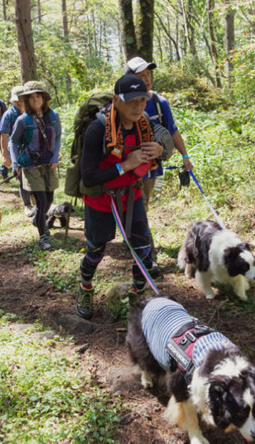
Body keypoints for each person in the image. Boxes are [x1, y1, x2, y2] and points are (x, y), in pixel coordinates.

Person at [74, 74, 164, 320]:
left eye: (142, 100)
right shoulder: (97, 129)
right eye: (131, 101)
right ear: (116, 100)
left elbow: (160, 150)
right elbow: (89, 176)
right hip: (101, 199)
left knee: (143, 251)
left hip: (131, 195)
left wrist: (160, 150)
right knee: (96, 250)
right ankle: (85, 287)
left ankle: (137, 298)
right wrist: (124, 165)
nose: (138, 107)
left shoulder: (143, 123)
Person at [125, 57, 192, 206]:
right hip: (126, 168)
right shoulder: (121, 103)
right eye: (141, 76)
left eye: (148, 74)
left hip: (150, 169)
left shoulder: (159, 103)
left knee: (142, 206)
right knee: (127, 209)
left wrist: (185, 156)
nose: (147, 79)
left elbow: (172, 131)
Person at [9, 81, 62, 251]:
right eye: (31, 97)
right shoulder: (23, 120)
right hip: (31, 167)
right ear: (26, 100)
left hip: (49, 166)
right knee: (41, 201)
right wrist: (15, 163)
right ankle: (44, 236)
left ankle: (37, 220)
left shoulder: (54, 116)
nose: (35, 100)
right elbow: (13, 141)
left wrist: (55, 156)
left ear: (44, 98)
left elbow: (58, 137)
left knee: (49, 201)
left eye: (38, 96)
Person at [0, 85, 36, 218]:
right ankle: (27, 204)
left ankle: (35, 198)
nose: (20, 103)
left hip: (32, 149)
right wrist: (5, 155)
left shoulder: (33, 112)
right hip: (17, 150)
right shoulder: (9, 115)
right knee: (22, 177)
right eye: (17, 100)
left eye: (22, 100)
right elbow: (4, 135)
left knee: (35, 175)